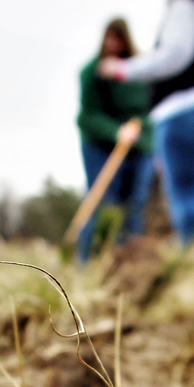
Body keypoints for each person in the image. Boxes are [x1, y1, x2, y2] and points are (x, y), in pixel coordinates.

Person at [98, 0, 194, 245]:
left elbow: (174, 54)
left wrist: (125, 69)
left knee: (185, 194)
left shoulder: (184, 4)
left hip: (185, 112)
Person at [76, 18, 154, 260]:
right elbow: (88, 115)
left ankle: (128, 261)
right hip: (98, 144)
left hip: (138, 145)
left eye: (118, 39)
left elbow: (149, 109)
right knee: (102, 201)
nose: (112, 45)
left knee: (135, 203)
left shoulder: (139, 71)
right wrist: (115, 131)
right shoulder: (91, 73)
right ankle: (88, 259)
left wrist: (140, 134)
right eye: (109, 38)